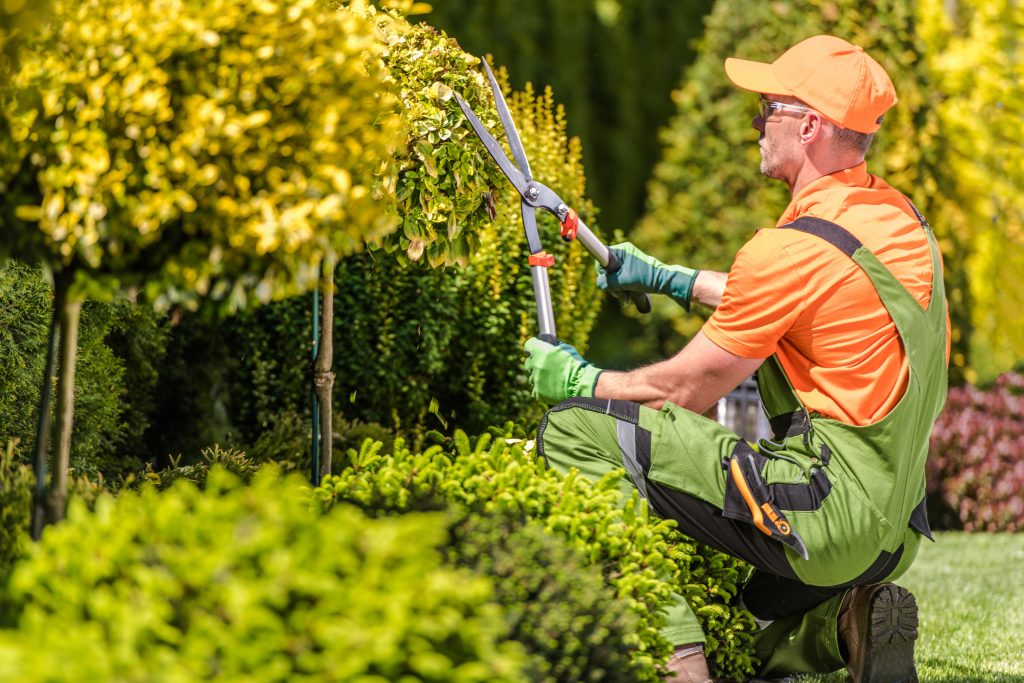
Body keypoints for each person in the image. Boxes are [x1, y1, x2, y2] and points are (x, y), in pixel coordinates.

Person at [523, 35, 949, 683]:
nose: (755, 121)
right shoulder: (895, 220)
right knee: (738, 609)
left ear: (808, 125)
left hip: (824, 513)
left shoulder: (786, 250)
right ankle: (846, 624)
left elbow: (686, 387)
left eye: (767, 106)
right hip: (893, 531)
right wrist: (669, 278)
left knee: (577, 429)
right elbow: (808, 296)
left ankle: (678, 664)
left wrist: (581, 379)